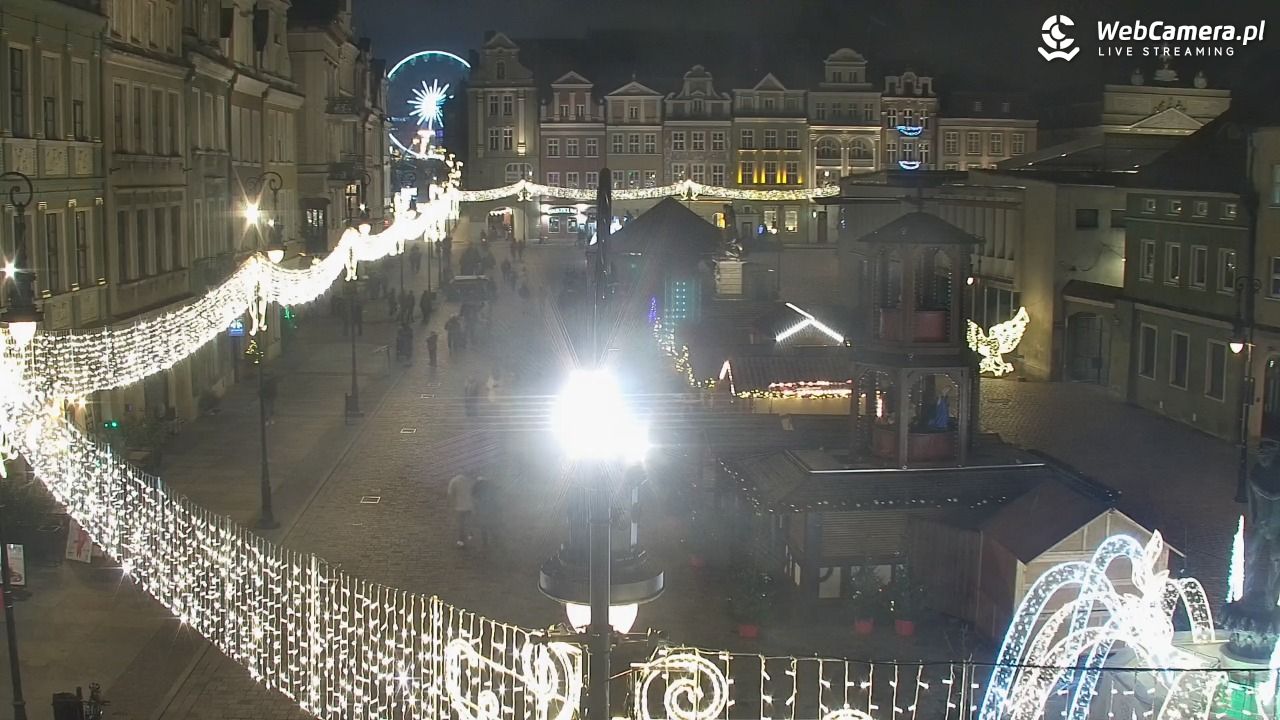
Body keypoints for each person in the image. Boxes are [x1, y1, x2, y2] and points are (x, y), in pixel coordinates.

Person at [446, 472, 475, 547]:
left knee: (461, 523)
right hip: (469, 505)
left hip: (459, 506)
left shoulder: (454, 480)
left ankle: (461, 540)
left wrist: (450, 505)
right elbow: (473, 493)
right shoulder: (469, 480)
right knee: (468, 521)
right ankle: (470, 535)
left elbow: (450, 494)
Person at [471, 475, 493, 551]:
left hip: (481, 507)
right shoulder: (489, 484)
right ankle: (494, 538)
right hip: (490, 507)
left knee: (483, 525)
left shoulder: (476, 485)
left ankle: (485, 542)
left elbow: (473, 495)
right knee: (491, 523)